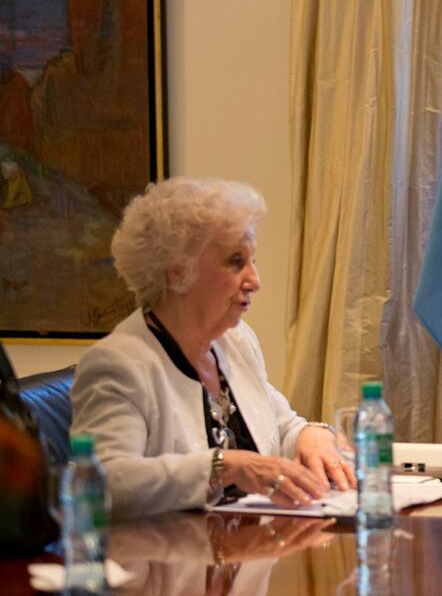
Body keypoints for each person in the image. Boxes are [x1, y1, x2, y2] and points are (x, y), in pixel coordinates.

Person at [70, 178, 356, 520]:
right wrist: (223, 467)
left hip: (251, 555)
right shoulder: (118, 364)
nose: (255, 280)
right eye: (236, 262)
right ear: (177, 273)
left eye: (253, 261)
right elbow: (105, 484)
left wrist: (312, 435)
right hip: (167, 564)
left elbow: (280, 428)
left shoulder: (235, 341)